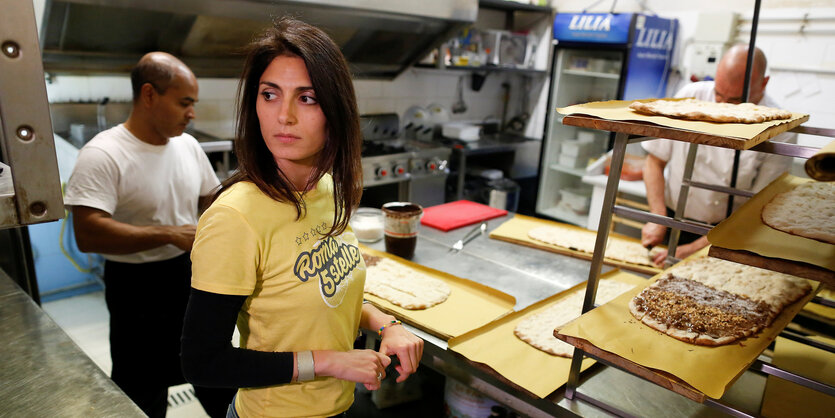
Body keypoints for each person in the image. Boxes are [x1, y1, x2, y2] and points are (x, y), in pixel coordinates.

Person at [180, 17, 424, 417]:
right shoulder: (235, 217)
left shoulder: (328, 189)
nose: (284, 116)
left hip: (338, 407)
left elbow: (330, 294)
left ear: (335, 109)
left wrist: (386, 324)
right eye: (270, 95)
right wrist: (329, 361)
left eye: (307, 98)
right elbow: (203, 362)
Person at [64, 52, 235, 417]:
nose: (192, 113)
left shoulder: (187, 145)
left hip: (188, 276)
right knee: (142, 389)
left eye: (194, 104)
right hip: (135, 288)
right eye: (184, 102)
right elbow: (88, 233)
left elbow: (209, 198)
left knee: (213, 368)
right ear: (149, 95)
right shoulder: (104, 154)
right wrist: (168, 233)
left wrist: (245, 191)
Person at [641, 44, 797, 266]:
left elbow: (757, 208)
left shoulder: (779, 128)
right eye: (718, 94)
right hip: (672, 219)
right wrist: (658, 216)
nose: (721, 106)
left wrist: (693, 250)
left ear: (763, 83)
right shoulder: (690, 97)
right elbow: (654, 161)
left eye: (733, 100)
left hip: (726, 234)